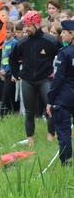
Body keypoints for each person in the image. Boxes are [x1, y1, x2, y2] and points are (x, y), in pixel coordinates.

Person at [9, 11, 63, 145]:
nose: (26, 29)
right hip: (28, 80)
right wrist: (17, 75)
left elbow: (63, 56)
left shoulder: (51, 41)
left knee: (51, 109)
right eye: (25, 26)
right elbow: (13, 59)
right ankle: (30, 140)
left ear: (37, 24)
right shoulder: (22, 42)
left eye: (29, 26)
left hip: (45, 79)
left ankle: (51, 136)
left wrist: (57, 74)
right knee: (29, 112)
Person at [46, 20, 74, 166]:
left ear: (72, 34)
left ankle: (66, 164)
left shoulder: (65, 53)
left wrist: (50, 100)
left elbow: (58, 78)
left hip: (65, 97)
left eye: (63, 32)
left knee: (63, 133)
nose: (61, 35)